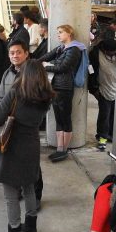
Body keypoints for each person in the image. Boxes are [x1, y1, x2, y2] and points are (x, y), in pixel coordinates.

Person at [0, 60, 55, 232]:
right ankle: (31, 227)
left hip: (12, 148)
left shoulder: (15, 93)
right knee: (29, 187)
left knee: (11, 194)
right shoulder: (46, 97)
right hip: (31, 146)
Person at [39, 24, 84, 162]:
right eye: (57, 32)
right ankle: (59, 148)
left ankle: (64, 149)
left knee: (65, 117)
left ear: (69, 33)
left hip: (65, 87)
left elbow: (63, 67)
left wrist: (46, 66)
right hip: (55, 86)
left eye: (60, 32)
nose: (58, 35)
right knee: (58, 117)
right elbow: (46, 57)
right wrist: (34, 63)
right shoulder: (61, 48)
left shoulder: (74, 49)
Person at [89, 37, 116, 150]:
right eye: (110, 53)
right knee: (104, 115)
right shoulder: (95, 55)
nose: (113, 55)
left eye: (114, 52)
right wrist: (93, 89)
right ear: (104, 50)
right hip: (103, 89)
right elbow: (91, 72)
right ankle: (102, 138)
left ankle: (111, 135)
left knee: (114, 114)